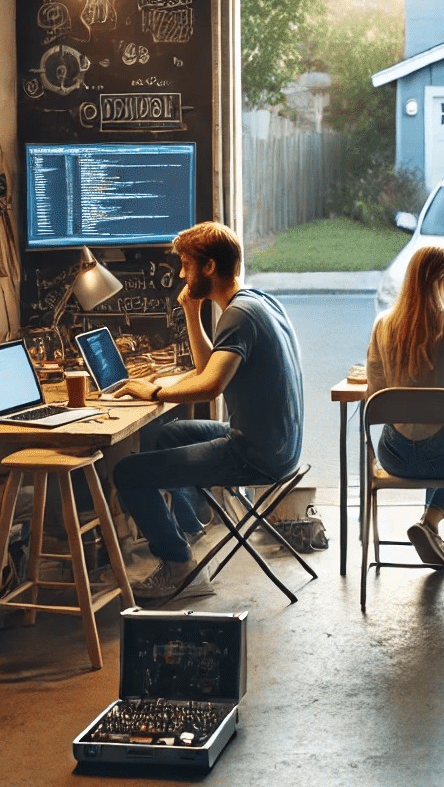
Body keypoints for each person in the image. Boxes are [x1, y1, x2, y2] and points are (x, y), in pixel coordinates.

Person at [113, 221, 303, 602]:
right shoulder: (255, 300)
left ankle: (181, 567)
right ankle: (189, 528)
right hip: (277, 444)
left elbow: (210, 386)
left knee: (127, 472)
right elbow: (207, 369)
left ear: (209, 267)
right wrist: (191, 311)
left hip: (257, 454)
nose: (182, 274)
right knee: (171, 434)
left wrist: (154, 391)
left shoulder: (239, 316)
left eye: (186, 264)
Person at [365, 245, 444, 566]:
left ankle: (431, 531)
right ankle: (431, 522)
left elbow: (375, 392)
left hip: (395, 457)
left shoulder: (383, 324)